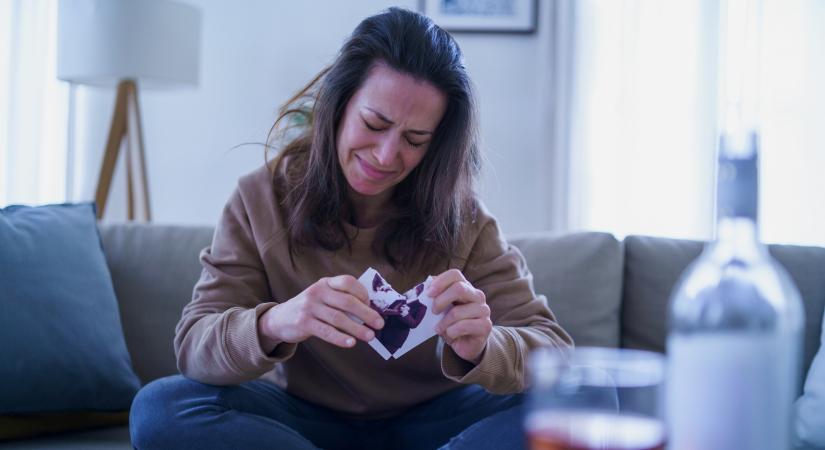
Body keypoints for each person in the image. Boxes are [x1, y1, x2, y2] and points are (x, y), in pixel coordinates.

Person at [129, 7, 572, 450]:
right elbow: (194, 346)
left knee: (590, 399)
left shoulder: (464, 219)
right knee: (161, 408)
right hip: (304, 423)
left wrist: (485, 346)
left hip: (439, 424)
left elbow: (557, 352)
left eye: (415, 140)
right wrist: (278, 321)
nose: (385, 155)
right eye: (374, 124)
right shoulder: (259, 199)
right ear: (338, 105)